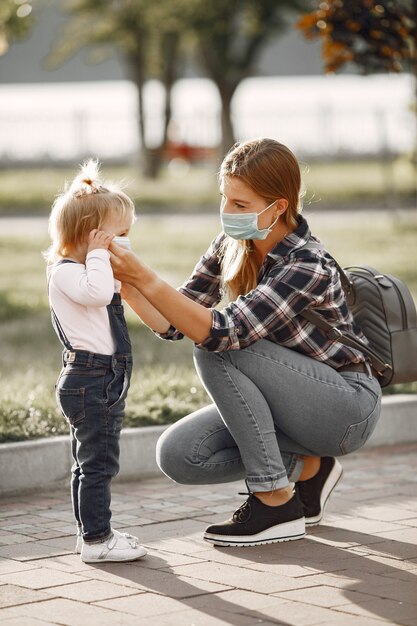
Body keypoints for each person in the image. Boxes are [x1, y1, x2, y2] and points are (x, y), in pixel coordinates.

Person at [110, 138, 382, 548]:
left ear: (279, 207)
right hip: (291, 401)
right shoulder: (230, 245)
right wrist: (127, 286)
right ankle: (310, 470)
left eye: (241, 205)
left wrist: (146, 276)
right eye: (225, 199)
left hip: (346, 407)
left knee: (218, 347)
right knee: (181, 453)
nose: (227, 213)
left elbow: (220, 333)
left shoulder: (306, 263)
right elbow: (174, 322)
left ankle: (275, 501)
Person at [46, 160, 147, 562]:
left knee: (91, 462)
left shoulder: (86, 268)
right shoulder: (66, 272)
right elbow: (100, 294)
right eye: (118, 236)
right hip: (90, 378)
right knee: (98, 465)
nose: (123, 243)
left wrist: (107, 259)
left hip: (101, 377)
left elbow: (111, 291)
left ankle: (89, 532)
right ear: (91, 237)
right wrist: (100, 257)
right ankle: (97, 541)